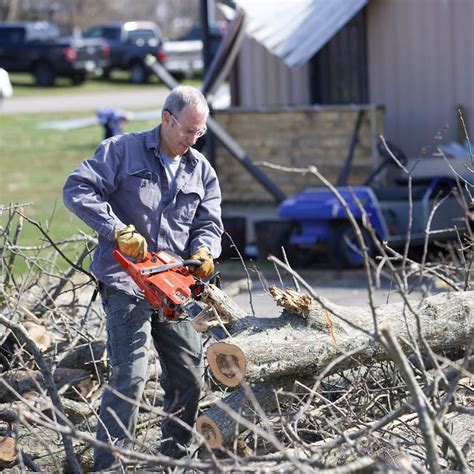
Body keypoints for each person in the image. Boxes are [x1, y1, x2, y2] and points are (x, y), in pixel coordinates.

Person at [63, 86, 223, 470]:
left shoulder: (200, 168)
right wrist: (116, 229)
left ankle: (173, 461)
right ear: (167, 118)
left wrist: (204, 253)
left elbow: (209, 223)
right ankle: (109, 467)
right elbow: (76, 188)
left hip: (173, 288)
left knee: (189, 375)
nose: (193, 139)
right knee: (130, 378)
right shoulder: (122, 150)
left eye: (199, 132)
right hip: (125, 281)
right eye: (188, 130)